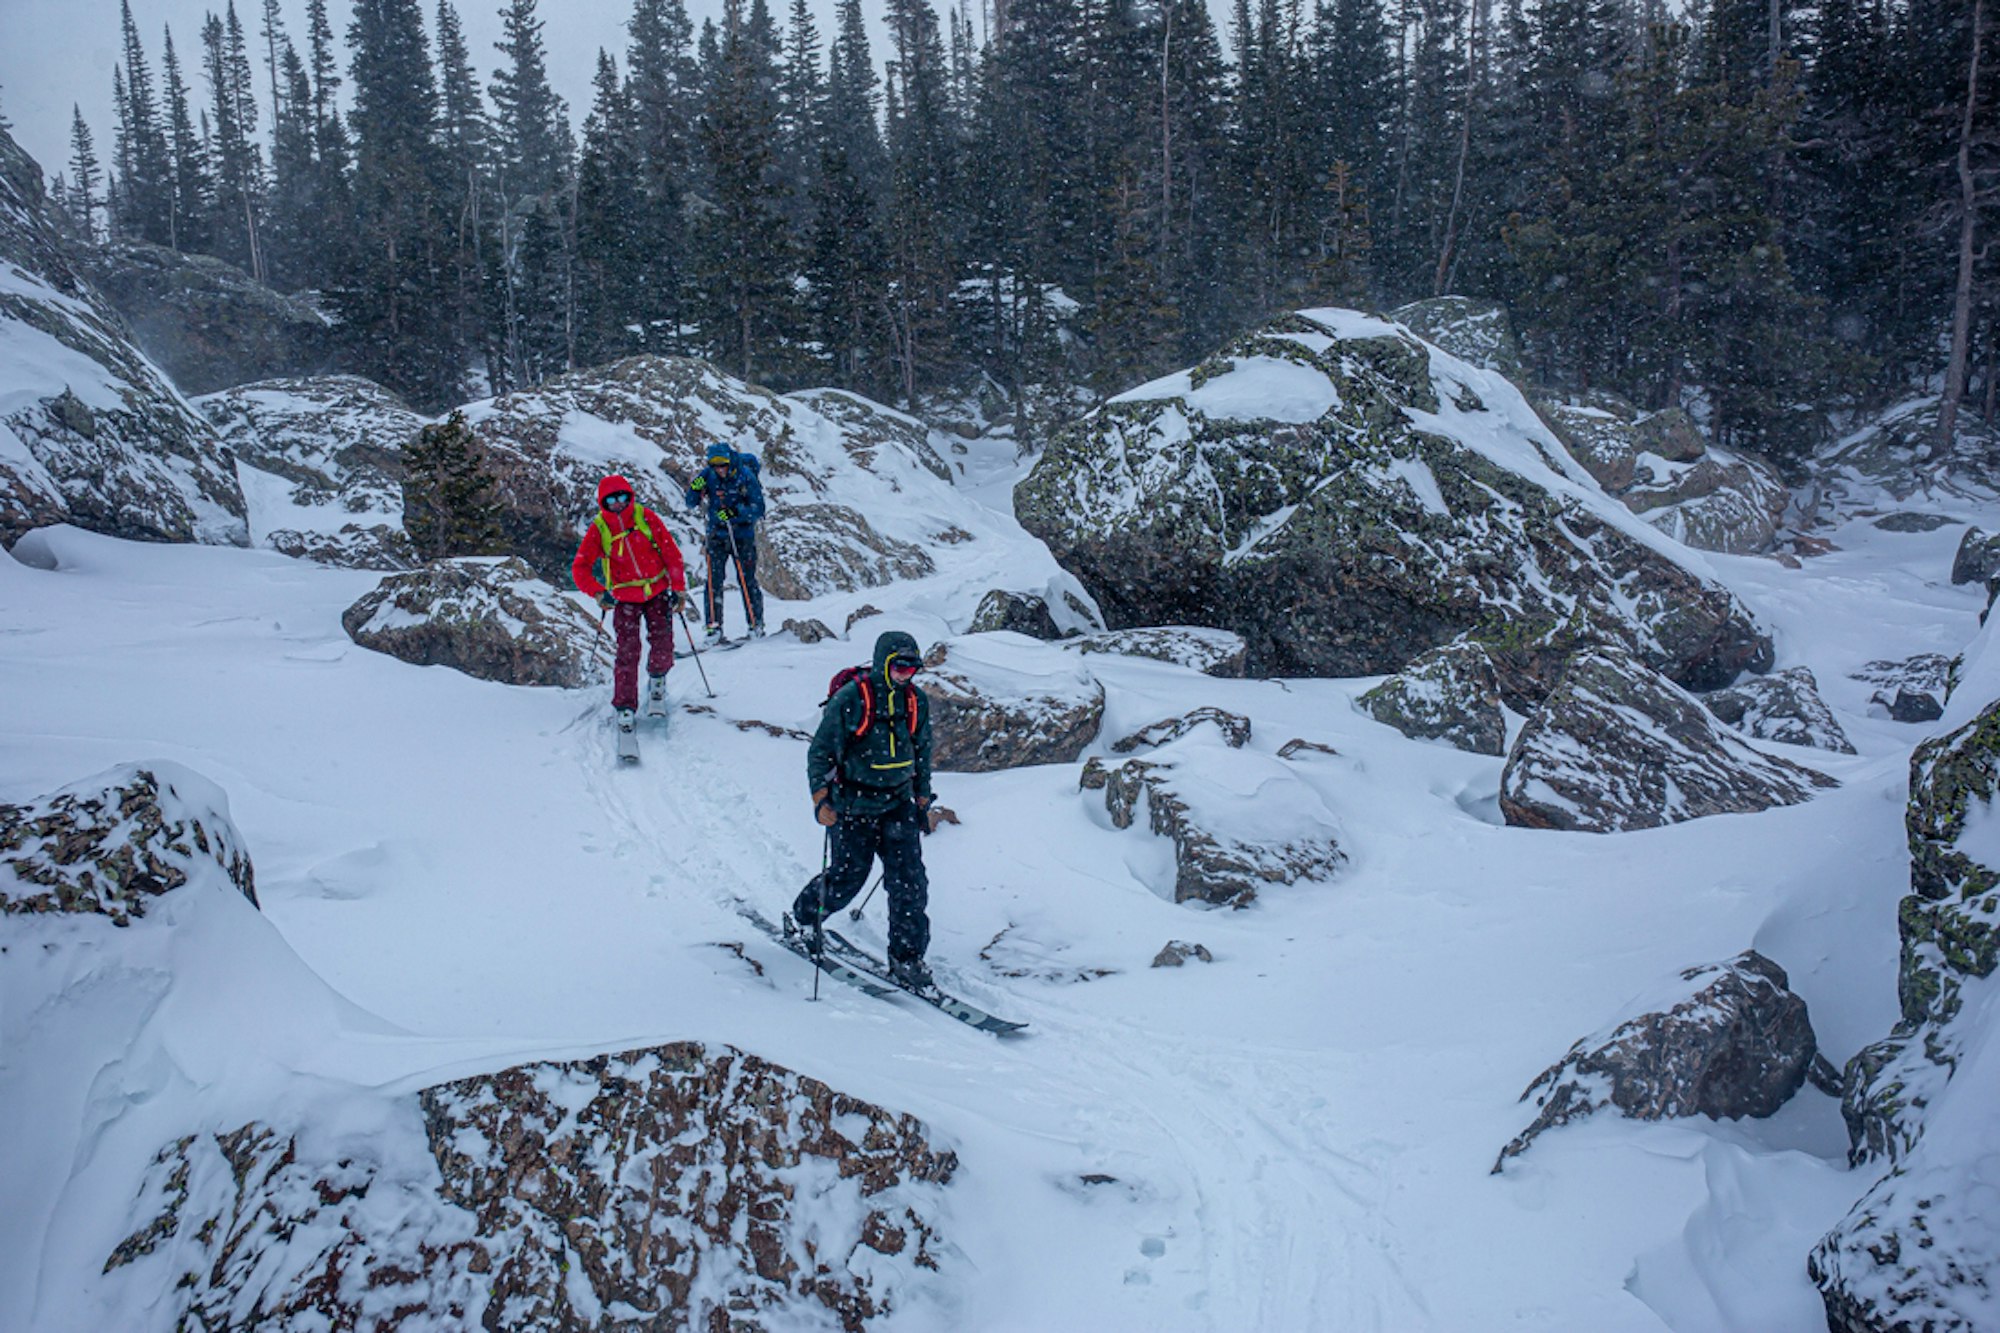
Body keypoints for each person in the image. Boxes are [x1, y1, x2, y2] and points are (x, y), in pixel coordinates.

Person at [790, 630, 942, 990]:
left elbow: (922, 752)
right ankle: (805, 918)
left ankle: (906, 958)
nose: (906, 674)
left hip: (898, 804)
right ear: (884, 663)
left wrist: (922, 797)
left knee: (909, 882)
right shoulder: (851, 699)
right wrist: (820, 798)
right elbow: (820, 752)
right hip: (852, 804)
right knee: (848, 876)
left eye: (912, 668)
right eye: (899, 666)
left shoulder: (915, 702)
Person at [571, 474, 688, 733]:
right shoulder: (600, 528)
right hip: (624, 598)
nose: (618, 503)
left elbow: (671, 553)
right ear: (603, 502)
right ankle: (625, 706)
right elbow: (580, 568)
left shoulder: (645, 517)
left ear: (630, 496)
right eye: (611, 499)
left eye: (623, 497)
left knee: (663, 643)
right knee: (627, 652)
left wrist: (678, 588)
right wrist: (598, 592)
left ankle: (657, 681)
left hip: (657, 591)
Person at [682, 439, 766, 642]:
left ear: (730, 461)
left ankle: (755, 624)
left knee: (747, 580)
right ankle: (714, 628)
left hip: (742, 536)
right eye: (715, 465)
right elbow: (690, 503)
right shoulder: (707, 475)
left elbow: (758, 508)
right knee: (713, 581)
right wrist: (695, 489)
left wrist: (735, 513)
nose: (719, 469)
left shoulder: (745, 476)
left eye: (723, 464)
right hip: (716, 535)